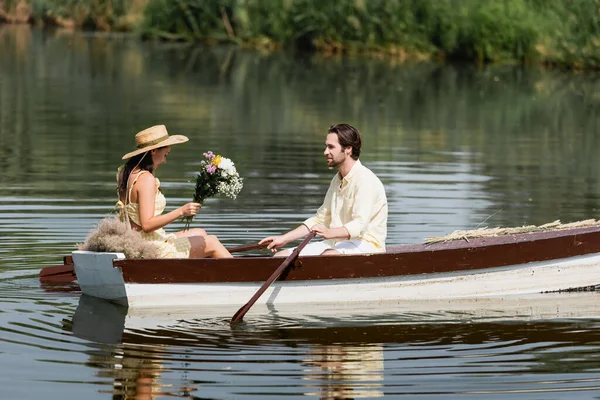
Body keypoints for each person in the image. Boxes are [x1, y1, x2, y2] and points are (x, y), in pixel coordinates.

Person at [260, 123, 387, 256]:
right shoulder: (336, 180)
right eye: (326, 146)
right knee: (280, 256)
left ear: (348, 149)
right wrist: (283, 239)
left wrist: (329, 232)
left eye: (331, 147)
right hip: (335, 244)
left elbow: (359, 226)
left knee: (327, 257)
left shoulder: (366, 180)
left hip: (366, 245)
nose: (325, 152)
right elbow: (320, 219)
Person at [116, 124, 232, 258]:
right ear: (153, 151)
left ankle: (198, 275)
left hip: (136, 240)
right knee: (211, 242)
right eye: (166, 154)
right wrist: (181, 211)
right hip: (148, 247)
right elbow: (147, 224)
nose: (165, 160)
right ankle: (245, 274)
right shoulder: (146, 179)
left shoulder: (127, 173)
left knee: (201, 233)